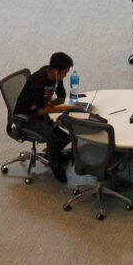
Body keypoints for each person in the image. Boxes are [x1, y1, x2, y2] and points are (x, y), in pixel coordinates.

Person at [15, 51, 86, 183]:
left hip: (39, 113)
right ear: (56, 71)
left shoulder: (56, 79)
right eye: (64, 73)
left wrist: (49, 105)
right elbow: (41, 111)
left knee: (67, 133)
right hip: (26, 117)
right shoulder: (38, 80)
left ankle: (52, 153)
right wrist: (62, 108)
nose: (65, 76)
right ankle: (55, 164)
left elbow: (61, 97)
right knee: (53, 134)